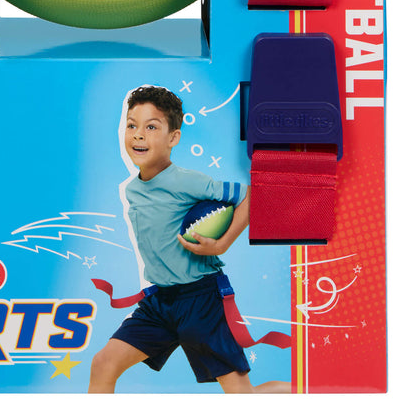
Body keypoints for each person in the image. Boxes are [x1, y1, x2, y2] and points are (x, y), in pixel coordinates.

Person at [88, 85, 289, 394]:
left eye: (151, 127)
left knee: (241, 395)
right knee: (103, 364)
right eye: (131, 125)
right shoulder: (132, 190)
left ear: (173, 138)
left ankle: (300, 392)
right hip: (160, 302)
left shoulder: (186, 181)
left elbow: (252, 195)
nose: (138, 135)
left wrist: (222, 244)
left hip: (201, 299)